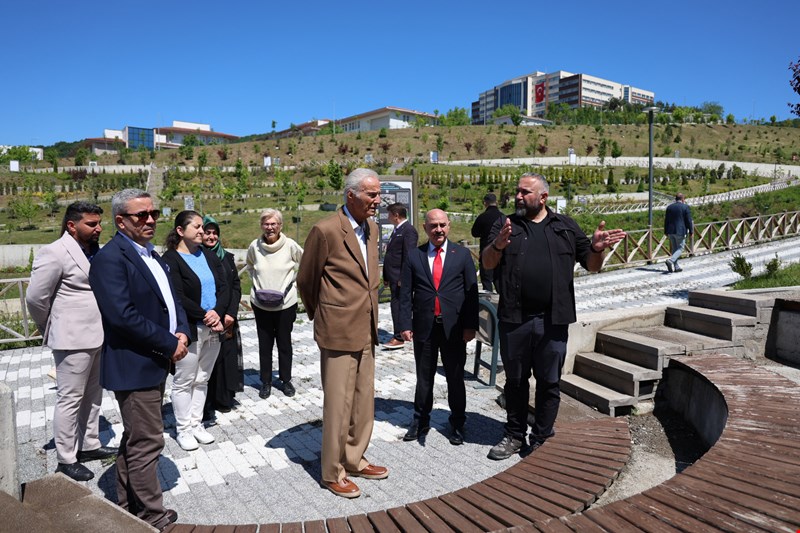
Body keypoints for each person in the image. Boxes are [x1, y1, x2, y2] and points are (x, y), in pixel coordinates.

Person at [482, 173, 626, 460]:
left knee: (549, 382)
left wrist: (597, 249)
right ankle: (514, 435)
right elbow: (487, 263)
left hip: (553, 321)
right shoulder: (505, 224)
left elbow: (592, 265)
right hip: (515, 320)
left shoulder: (566, 226)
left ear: (543, 197)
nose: (518, 196)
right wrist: (497, 245)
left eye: (525, 192)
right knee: (515, 381)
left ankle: (541, 436)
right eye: (517, 191)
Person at [89, 189, 190, 531]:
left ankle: (127, 505)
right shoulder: (110, 259)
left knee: (136, 437)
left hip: (155, 360)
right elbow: (122, 316)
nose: (151, 220)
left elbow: (171, 301)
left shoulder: (151, 254)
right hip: (135, 364)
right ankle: (151, 516)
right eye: (141, 215)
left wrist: (182, 331)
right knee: (148, 441)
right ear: (120, 221)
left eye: (154, 213)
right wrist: (168, 342)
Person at [297, 168, 388, 499]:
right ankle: (332, 471)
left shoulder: (372, 228)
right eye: (372, 194)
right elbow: (307, 280)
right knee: (338, 404)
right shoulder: (325, 230)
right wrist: (324, 314)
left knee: (363, 401)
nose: (378, 200)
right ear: (351, 195)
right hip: (337, 330)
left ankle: (354, 458)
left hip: (366, 327)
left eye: (379, 194)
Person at [26, 201, 117, 482]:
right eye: (91, 224)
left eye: (99, 223)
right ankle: (66, 459)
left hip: (99, 335)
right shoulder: (54, 252)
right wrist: (51, 326)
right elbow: (35, 298)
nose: (98, 228)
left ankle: (89, 445)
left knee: (93, 397)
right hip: (72, 338)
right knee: (70, 399)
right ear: (71, 225)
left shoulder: (94, 251)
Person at [399, 209, 478, 445]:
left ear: (449, 226)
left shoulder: (462, 255)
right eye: (433, 225)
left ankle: (458, 422)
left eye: (442, 225)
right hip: (424, 328)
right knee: (424, 378)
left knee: (455, 377)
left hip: (454, 329)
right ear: (425, 228)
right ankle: (420, 420)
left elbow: (471, 293)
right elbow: (406, 294)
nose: (439, 230)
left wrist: (470, 326)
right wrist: (404, 324)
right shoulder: (415, 256)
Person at [163, 210, 228, 451]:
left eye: (203, 227)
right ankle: (183, 429)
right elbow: (177, 296)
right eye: (197, 227)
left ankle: (196, 423)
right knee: (184, 380)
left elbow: (224, 287)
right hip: (190, 329)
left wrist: (217, 313)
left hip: (213, 327)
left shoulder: (208, 255)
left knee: (202, 379)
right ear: (180, 231)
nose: (202, 231)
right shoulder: (171, 259)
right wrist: (206, 316)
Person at [246, 209, 303, 399]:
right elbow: (250, 266)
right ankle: (266, 382)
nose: (270, 227)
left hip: (285, 304)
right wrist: (258, 285)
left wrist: (294, 282)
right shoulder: (254, 246)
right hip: (260, 304)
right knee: (265, 344)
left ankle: (286, 380)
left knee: (284, 343)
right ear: (261, 225)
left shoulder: (290, 245)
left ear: (280, 225)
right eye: (266, 223)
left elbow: (305, 262)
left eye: (273, 224)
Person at [202, 215, 244, 420]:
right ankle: (205, 403)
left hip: (227, 319)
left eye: (214, 233)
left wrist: (231, 314)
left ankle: (223, 398)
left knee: (225, 358)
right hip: (207, 318)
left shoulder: (227, 257)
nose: (211, 237)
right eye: (207, 232)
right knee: (206, 361)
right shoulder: (196, 256)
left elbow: (235, 286)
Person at [381, 202, 418, 350]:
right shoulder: (398, 230)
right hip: (393, 276)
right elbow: (391, 255)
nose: (387, 217)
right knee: (396, 305)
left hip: (400, 277)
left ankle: (399, 337)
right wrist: (386, 276)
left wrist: (404, 278)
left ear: (396, 215)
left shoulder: (408, 231)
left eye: (389, 214)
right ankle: (401, 333)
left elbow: (408, 256)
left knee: (399, 306)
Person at [471, 193, 504, 291]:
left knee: (486, 280)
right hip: (501, 253)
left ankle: (488, 299)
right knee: (499, 280)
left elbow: (474, 233)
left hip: (486, 252)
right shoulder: (503, 217)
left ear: (485, 203)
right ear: (496, 202)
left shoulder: (482, 217)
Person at [664, 193, 693, 273]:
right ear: (683, 199)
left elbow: (666, 220)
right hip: (680, 231)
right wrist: (691, 231)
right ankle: (671, 261)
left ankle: (676, 267)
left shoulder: (669, 207)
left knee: (674, 248)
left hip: (671, 231)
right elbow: (688, 220)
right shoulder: (685, 207)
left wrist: (666, 231)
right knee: (680, 248)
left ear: (675, 199)